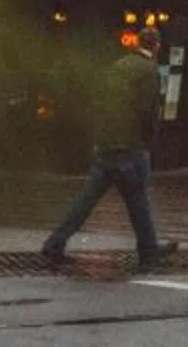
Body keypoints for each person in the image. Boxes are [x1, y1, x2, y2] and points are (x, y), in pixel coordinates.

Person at [42, 33, 177, 270]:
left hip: (107, 145)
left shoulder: (119, 66)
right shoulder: (148, 71)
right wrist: (149, 139)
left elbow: (102, 102)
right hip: (129, 145)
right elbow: (147, 110)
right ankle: (148, 251)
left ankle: (55, 242)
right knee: (138, 201)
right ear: (156, 46)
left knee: (85, 202)